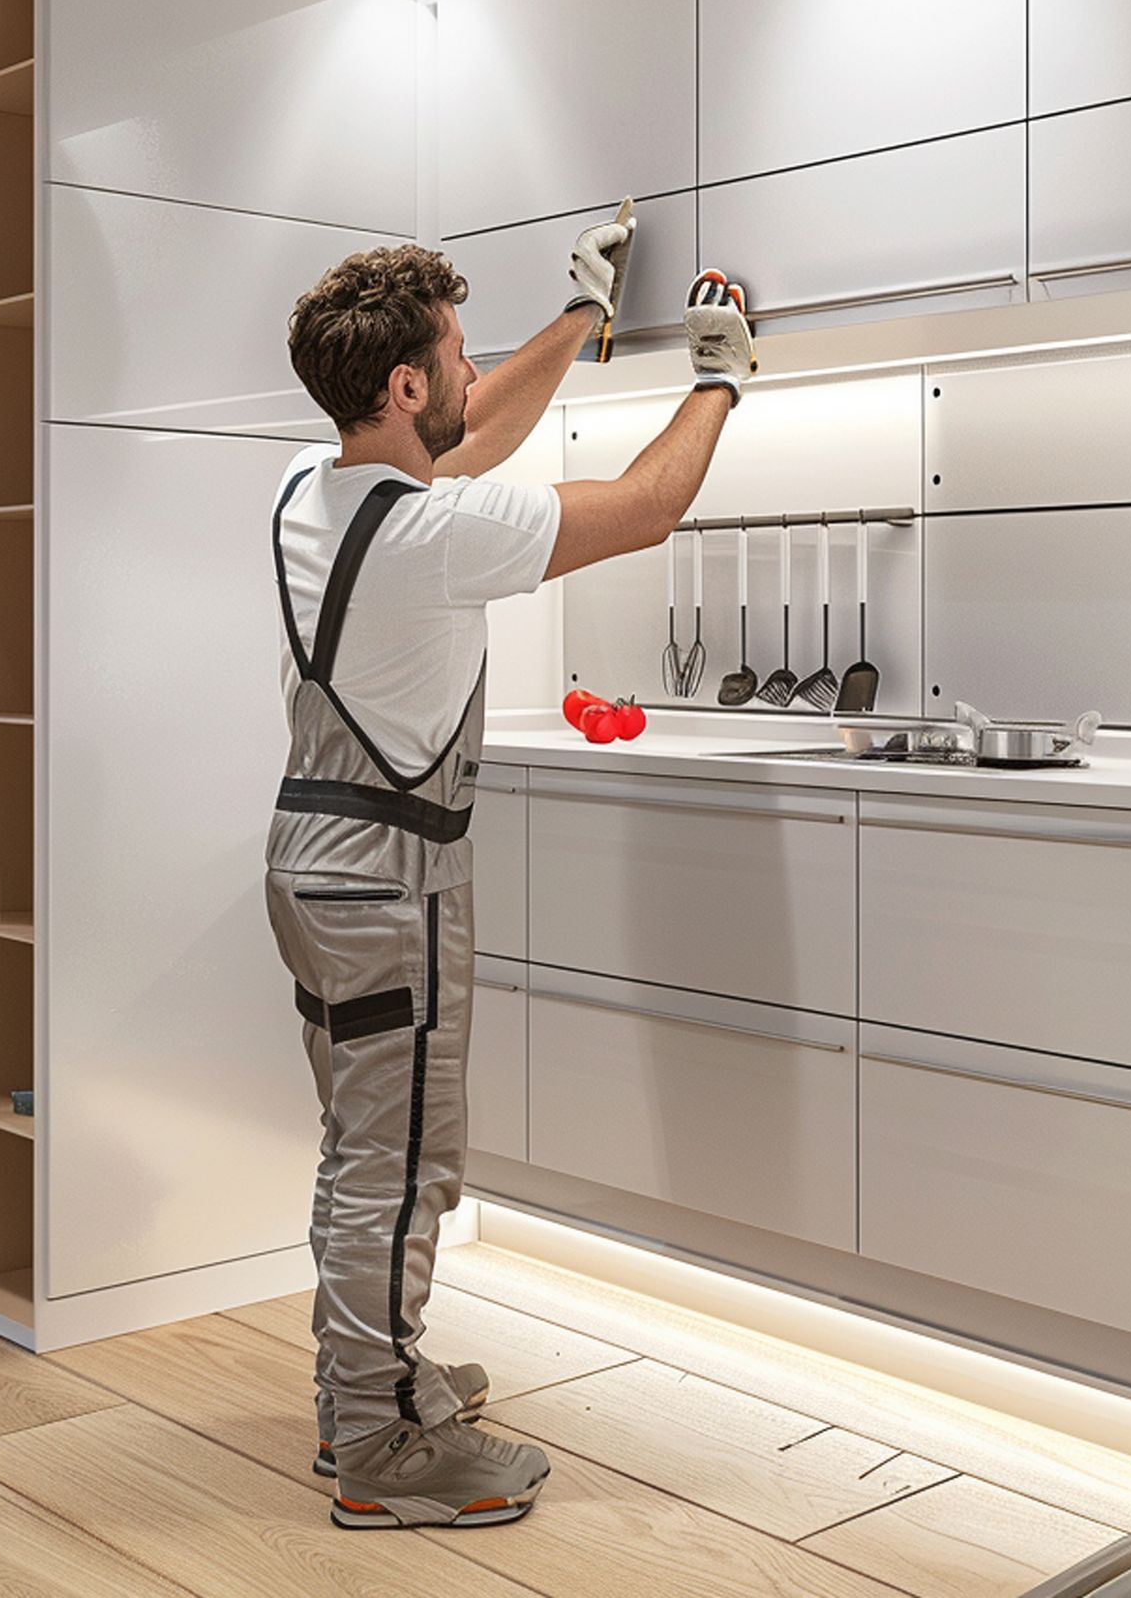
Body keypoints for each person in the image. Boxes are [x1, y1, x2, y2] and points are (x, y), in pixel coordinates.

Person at [265, 209, 755, 1530]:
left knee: (363, 1149)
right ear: (406, 385)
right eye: (460, 355)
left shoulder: (314, 493)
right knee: (401, 1166)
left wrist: (580, 324)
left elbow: (471, 437)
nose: (476, 376)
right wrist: (720, 374)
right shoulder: (434, 537)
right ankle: (379, 1447)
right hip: (390, 885)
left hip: (312, 864)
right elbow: (648, 508)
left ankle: (371, 1390)